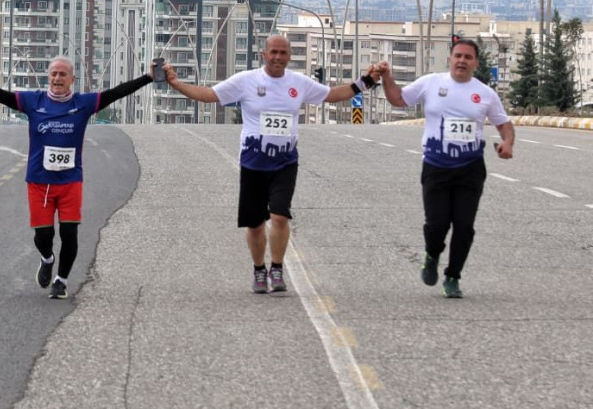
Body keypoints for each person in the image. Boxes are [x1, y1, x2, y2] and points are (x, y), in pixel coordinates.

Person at [164, 35, 380, 294]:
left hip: (285, 162)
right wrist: (176, 85)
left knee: (279, 215)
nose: (278, 57)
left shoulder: (298, 83)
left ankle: (276, 268)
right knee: (255, 225)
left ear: (289, 56)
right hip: (253, 163)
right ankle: (259, 270)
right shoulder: (246, 81)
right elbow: (209, 95)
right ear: (264, 55)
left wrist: (366, 81)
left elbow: (332, 95)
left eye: (283, 53)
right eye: (273, 52)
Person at [0, 55, 152, 299]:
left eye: (63, 74)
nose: (57, 78)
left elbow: (116, 93)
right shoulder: (34, 101)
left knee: (69, 233)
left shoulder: (83, 103)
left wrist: (147, 77)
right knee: (44, 236)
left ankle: (61, 281)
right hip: (39, 182)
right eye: (53, 74)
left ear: (72, 79)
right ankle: (47, 258)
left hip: (70, 181)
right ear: (47, 78)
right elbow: (1, 96)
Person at [378, 39, 514, 298]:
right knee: (437, 224)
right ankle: (432, 254)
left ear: (476, 62)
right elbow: (398, 99)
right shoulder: (432, 83)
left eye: (468, 57)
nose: (462, 61)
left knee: (464, 225)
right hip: (436, 166)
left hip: (470, 168)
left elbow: (503, 123)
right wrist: (387, 77)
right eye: (458, 56)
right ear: (450, 59)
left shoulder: (485, 93)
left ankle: (453, 276)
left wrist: (507, 143)